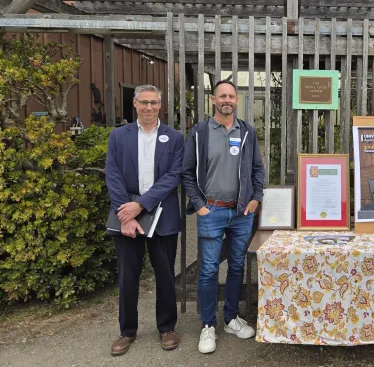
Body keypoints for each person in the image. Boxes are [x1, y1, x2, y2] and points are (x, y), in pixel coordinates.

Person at [181, 80, 264, 354]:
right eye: (222, 96)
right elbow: (187, 173)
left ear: (236, 100)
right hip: (212, 210)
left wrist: (254, 199)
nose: (227, 100)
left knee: (237, 266)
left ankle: (230, 318)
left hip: (241, 212)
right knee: (208, 270)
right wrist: (200, 205)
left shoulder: (247, 131)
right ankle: (208, 325)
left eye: (231, 96)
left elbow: (257, 169)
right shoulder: (200, 132)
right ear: (213, 100)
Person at [105, 85, 184, 356]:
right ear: (135, 105)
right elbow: (112, 174)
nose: (149, 107)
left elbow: (174, 176)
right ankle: (127, 331)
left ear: (160, 105)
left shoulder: (175, 138)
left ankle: (167, 328)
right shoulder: (118, 136)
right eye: (143, 102)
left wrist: (142, 204)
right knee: (128, 276)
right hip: (126, 214)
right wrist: (124, 213)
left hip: (162, 214)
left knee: (165, 275)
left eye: (153, 102)